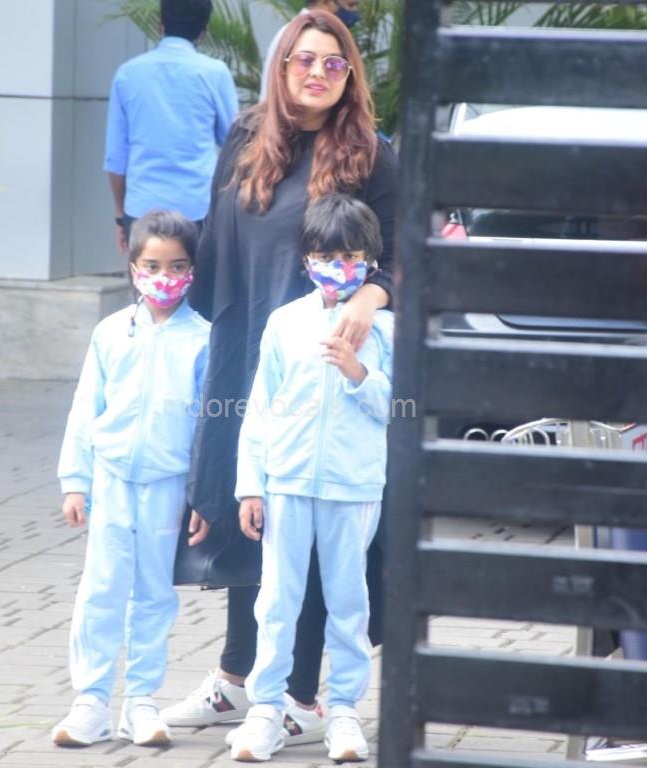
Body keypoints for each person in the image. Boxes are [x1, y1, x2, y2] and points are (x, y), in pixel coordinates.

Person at [160, 9, 396, 749]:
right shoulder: (246, 137)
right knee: (251, 507)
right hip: (247, 346)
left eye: (334, 62)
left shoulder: (370, 155)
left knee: (314, 522)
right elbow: (212, 240)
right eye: (305, 60)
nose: (319, 72)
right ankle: (239, 678)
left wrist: (369, 297)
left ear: (349, 74)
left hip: (328, 363)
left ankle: (300, 695)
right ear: (282, 65)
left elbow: (404, 255)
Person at [229, 193, 392, 763]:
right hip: (286, 482)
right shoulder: (285, 322)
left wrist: (358, 373)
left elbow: (400, 408)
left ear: (371, 261)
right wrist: (250, 485)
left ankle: (343, 711)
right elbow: (260, 405)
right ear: (306, 260)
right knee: (277, 599)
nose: (338, 268)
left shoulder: (386, 329)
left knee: (349, 601)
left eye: (350, 257)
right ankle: (265, 710)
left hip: (354, 486)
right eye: (326, 257)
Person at [52, 211, 210, 748]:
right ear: (133, 266)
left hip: (169, 487)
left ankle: (141, 701)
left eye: (177, 266)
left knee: (154, 592)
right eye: (153, 265)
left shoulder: (204, 339)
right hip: (112, 480)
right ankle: (90, 701)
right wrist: (76, 480)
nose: (164, 276)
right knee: (102, 588)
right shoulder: (110, 333)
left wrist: (203, 495)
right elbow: (85, 407)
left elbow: (208, 427)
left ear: (193, 269)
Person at [104, 0, 238, 251]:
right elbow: (233, 141)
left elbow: (116, 158)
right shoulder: (215, 73)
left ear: (160, 24)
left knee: (148, 277)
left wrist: (120, 215)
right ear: (204, 31)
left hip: (142, 209)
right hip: (198, 210)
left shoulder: (127, 73)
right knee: (197, 278)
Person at [259, 0, 361, 102]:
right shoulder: (297, 35)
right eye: (305, 61)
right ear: (326, 2)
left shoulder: (330, 35)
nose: (318, 72)